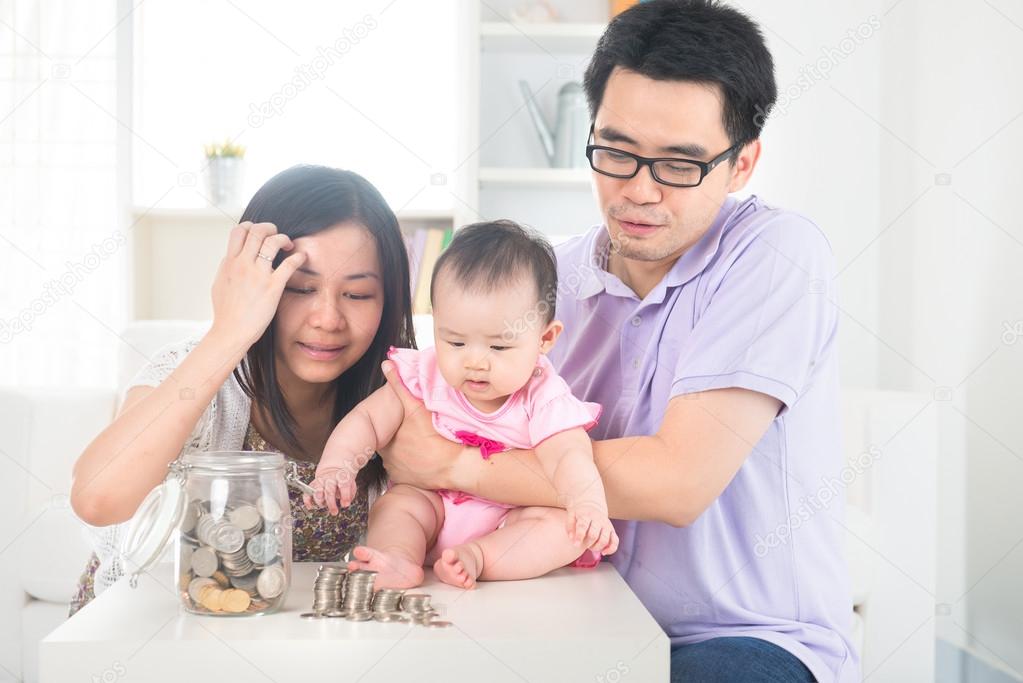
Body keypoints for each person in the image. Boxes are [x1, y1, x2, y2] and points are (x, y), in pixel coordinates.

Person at [374, 1, 858, 681]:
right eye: (615, 151)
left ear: (742, 163)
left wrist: (451, 464)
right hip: (579, 607)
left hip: (739, 637)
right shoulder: (551, 280)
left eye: (679, 165)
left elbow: (676, 480)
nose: (637, 190)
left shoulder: (775, 254)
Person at [68, 165, 415, 615]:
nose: (327, 318)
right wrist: (228, 333)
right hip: (145, 630)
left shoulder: (405, 393)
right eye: (299, 288)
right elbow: (96, 499)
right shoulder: (196, 370)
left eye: (357, 295)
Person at [305, 220, 616, 590]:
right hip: (431, 505)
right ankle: (401, 559)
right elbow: (368, 420)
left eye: (499, 347)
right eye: (455, 342)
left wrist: (588, 504)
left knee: (562, 530)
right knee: (397, 506)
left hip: (509, 517)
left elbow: (568, 456)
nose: (475, 362)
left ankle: (479, 557)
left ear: (545, 338)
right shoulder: (424, 373)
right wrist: (337, 466)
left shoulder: (543, 394)